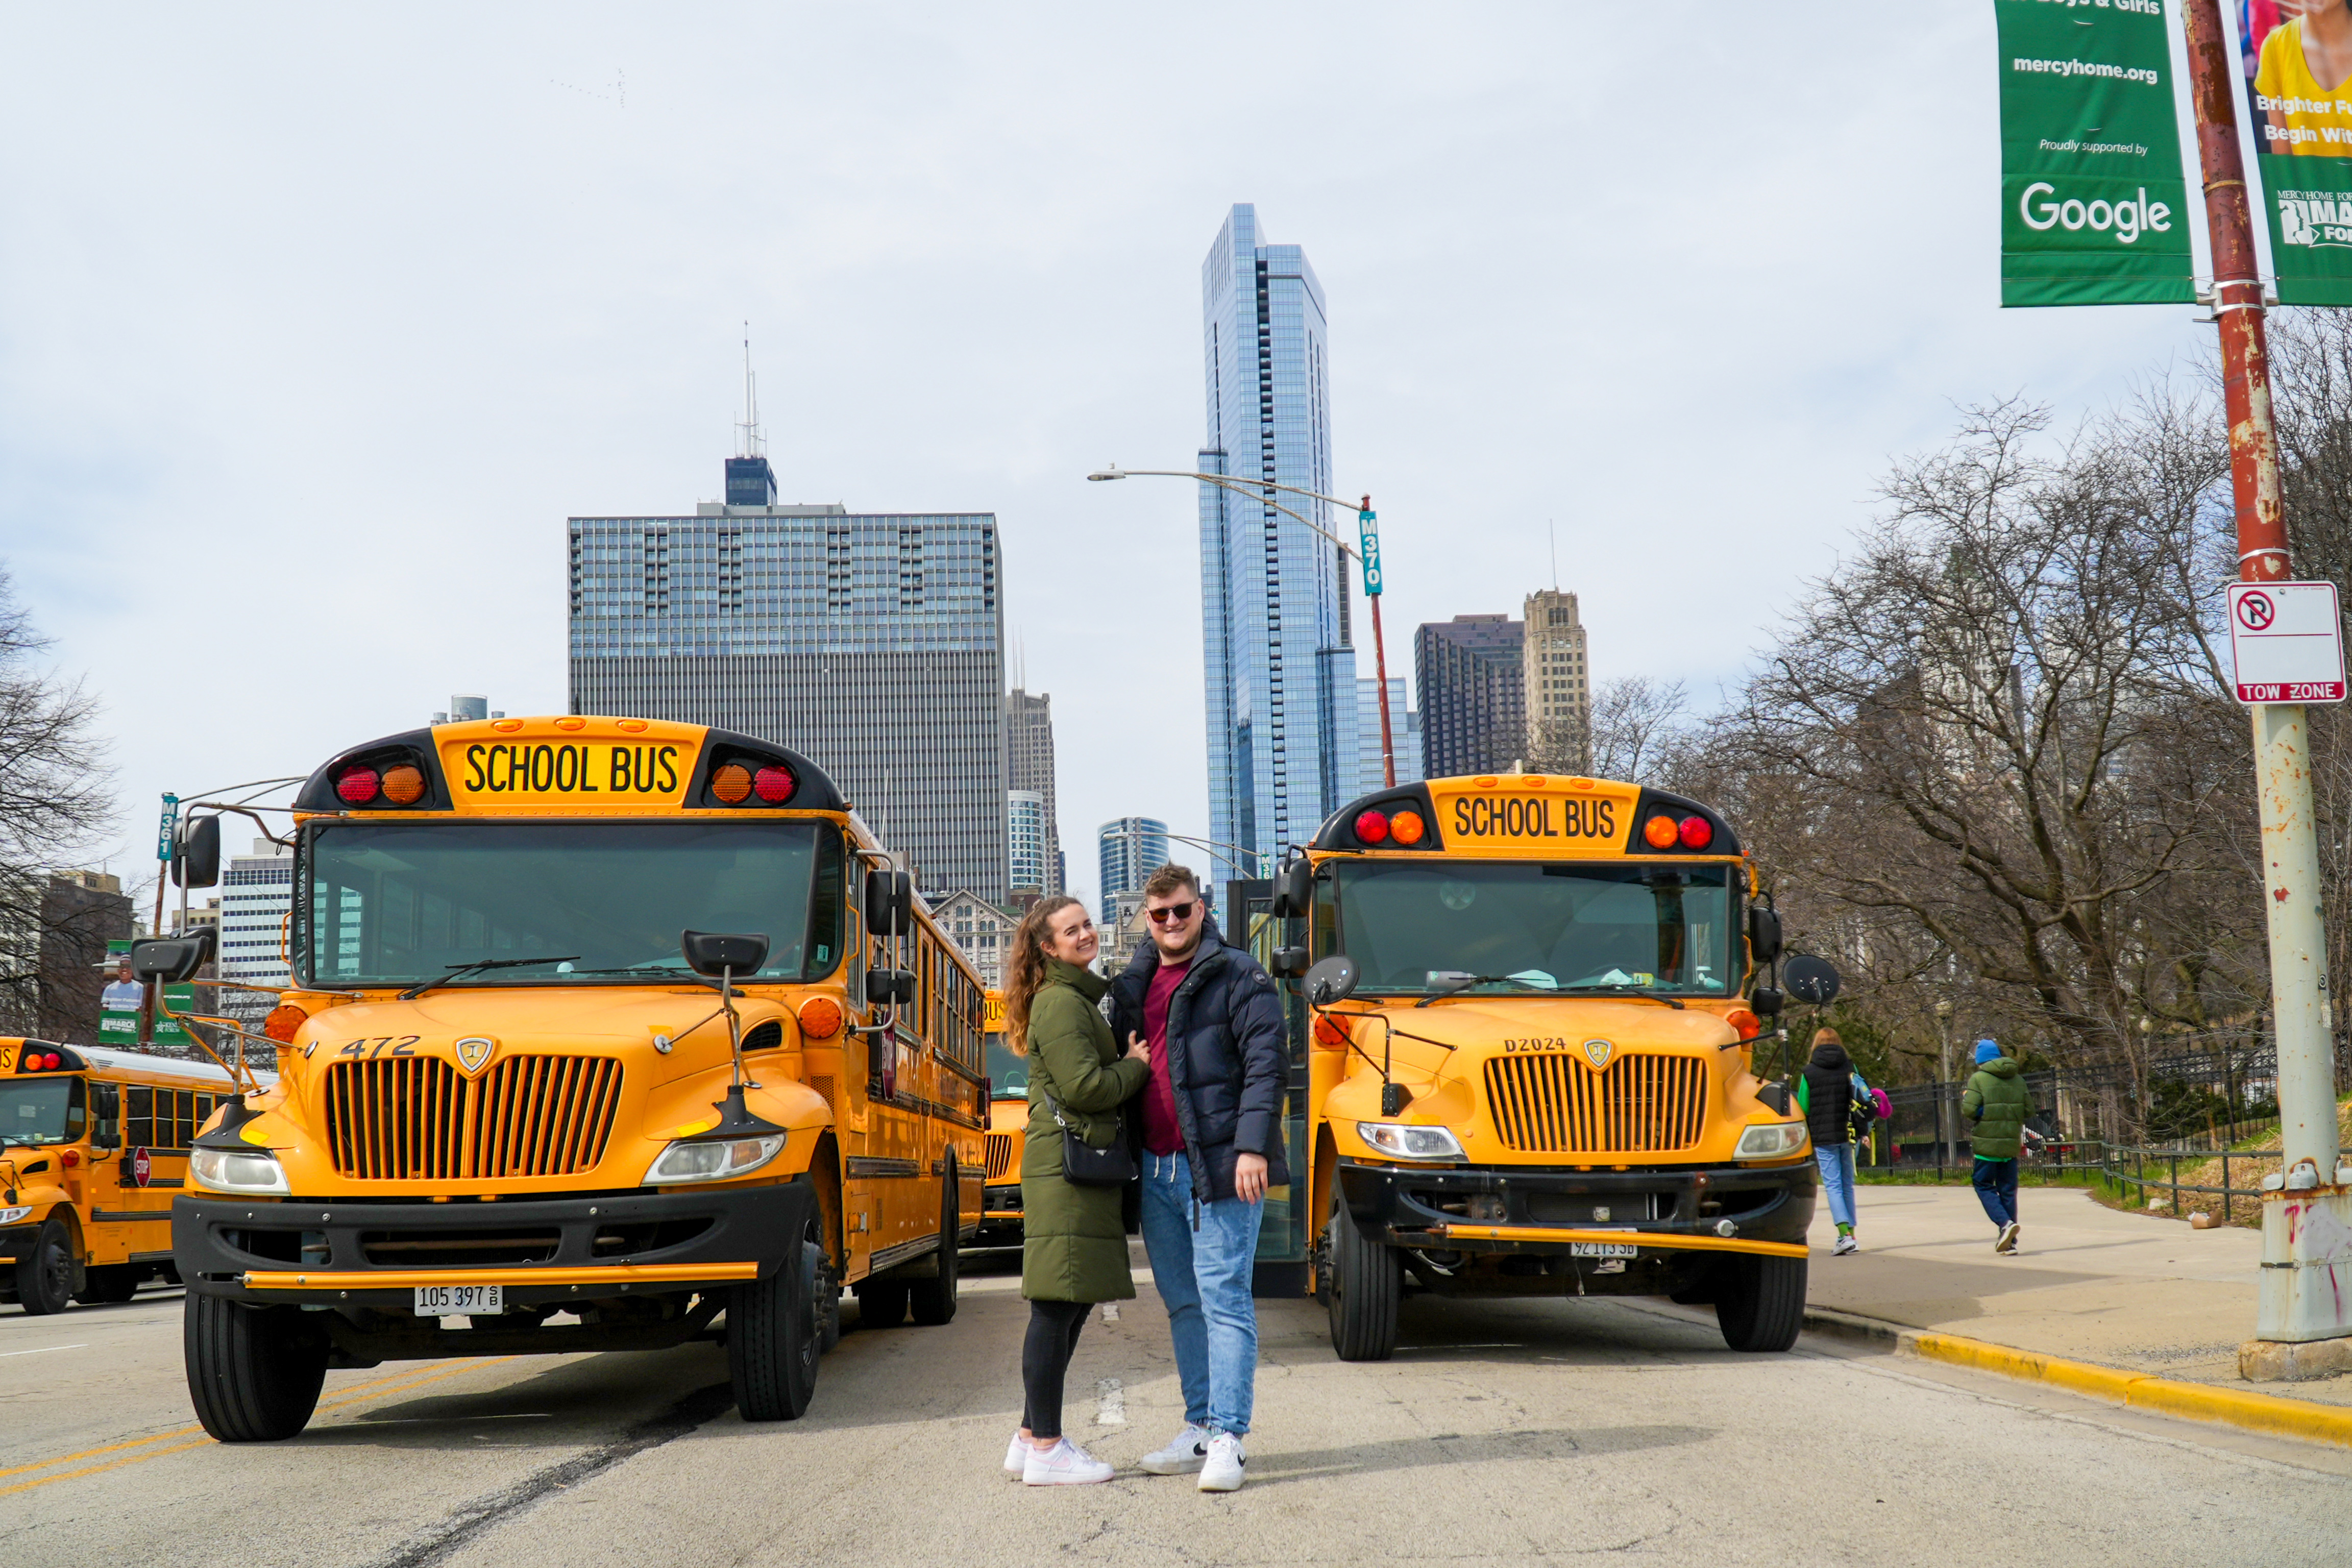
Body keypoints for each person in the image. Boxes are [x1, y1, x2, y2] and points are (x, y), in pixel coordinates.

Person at [1108, 864, 1288, 1494]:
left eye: (1182, 910)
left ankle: (1230, 1439)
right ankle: (1199, 1427)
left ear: (1202, 908)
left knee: (1225, 1298)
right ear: (1147, 920)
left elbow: (1268, 1064)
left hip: (1220, 1166)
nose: (1172, 922)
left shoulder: (1241, 974)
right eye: (1159, 915)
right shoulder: (1136, 983)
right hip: (1156, 1168)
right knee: (1184, 1302)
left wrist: (1251, 1148)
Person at [998, 895, 1149, 1485]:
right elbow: (1086, 1086)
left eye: (1087, 924)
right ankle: (1049, 1450)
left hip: (1071, 1170)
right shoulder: (1061, 1003)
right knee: (1056, 1304)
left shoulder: (1071, 997)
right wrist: (1136, 1064)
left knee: (1072, 1299)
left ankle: (1029, 1436)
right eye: (1072, 930)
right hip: (1065, 1172)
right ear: (1048, 947)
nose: (1086, 934)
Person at [1962, 1038, 2040, 1255]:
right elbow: (2029, 1110)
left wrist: (1970, 1101)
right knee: (2007, 1190)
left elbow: (1970, 1111)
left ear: (1980, 1060)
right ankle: (2010, 1242)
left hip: (1987, 1145)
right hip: (2010, 1144)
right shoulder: (2018, 1080)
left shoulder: (1978, 1079)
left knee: (1983, 1184)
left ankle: (2005, 1224)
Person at [1794, 1028, 1868, 1255]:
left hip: (1823, 1136)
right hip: (1848, 1133)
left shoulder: (1809, 1072)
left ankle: (1843, 1235)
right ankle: (1853, 1235)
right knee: (1847, 1185)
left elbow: (1803, 1106)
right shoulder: (1850, 1068)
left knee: (1833, 1185)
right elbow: (1860, 1097)